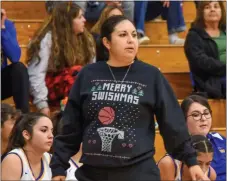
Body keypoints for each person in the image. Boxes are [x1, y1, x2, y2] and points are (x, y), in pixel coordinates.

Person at [50, 15, 209, 181]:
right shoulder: (88, 75)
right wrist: (59, 167)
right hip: (93, 174)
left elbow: (173, 124)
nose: (131, 40)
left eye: (134, 35)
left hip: (139, 173)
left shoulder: (151, 76)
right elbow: (71, 126)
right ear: (107, 42)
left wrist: (192, 161)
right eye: (123, 35)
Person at [27, 2, 95, 116]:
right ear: (67, 21)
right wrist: (42, 104)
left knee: (83, 75)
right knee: (76, 73)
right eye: (79, 17)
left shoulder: (87, 39)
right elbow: (36, 74)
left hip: (75, 85)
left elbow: (91, 70)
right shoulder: (47, 39)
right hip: (50, 88)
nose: (84, 20)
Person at [184, 1, 226, 99]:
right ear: (201, 12)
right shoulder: (194, 36)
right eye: (207, 7)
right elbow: (200, 61)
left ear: (222, 11)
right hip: (211, 81)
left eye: (216, 6)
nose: (212, 9)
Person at [181, 95, 226, 181]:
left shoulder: (219, 138)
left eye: (206, 113)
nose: (203, 118)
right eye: (196, 115)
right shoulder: (180, 148)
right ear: (183, 119)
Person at [1, 112, 53, 180]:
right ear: (26, 135)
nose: (51, 136)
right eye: (44, 130)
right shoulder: (13, 160)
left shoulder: (51, 159)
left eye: (52, 131)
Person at [1, 9, 30, 113]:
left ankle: (23, 117)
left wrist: (2, 29)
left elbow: (15, 57)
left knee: (19, 68)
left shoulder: (6, 25)